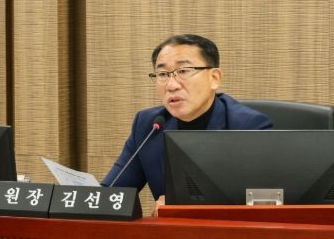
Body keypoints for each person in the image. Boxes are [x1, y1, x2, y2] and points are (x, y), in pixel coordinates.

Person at [101, 34, 273, 208]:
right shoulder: (148, 125)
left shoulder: (249, 126)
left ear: (214, 78)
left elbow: (266, 203)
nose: (171, 85)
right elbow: (111, 195)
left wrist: (184, 207)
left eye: (183, 71)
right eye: (162, 74)